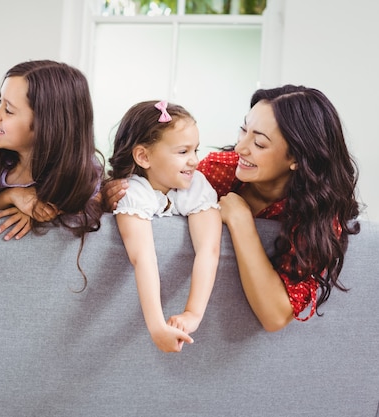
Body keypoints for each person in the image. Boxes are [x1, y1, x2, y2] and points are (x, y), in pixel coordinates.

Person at [104, 85, 361, 332]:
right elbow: (158, 194)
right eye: (243, 130)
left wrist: (241, 222)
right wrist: (113, 195)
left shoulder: (319, 216)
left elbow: (274, 316)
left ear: (296, 158)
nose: (239, 148)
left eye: (259, 143)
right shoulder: (220, 169)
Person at [108, 100, 222, 353]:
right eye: (183, 152)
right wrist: (157, 325)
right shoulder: (132, 191)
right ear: (144, 156)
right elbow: (143, 258)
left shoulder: (196, 185)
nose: (194, 161)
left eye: (196, 151)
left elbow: (209, 249)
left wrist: (193, 312)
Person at [0, 60, 103, 242]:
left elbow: (90, 208)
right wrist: (12, 196)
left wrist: (36, 213)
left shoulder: (82, 169)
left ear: (47, 125)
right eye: (0, 102)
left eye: (8, 110)